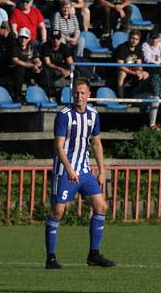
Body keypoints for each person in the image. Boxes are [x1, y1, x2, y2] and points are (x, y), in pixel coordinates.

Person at [45, 78, 115, 270]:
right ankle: (50, 258)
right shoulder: (64, 115)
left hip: (84, 170)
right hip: (64, 171)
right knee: (58, 211)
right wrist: (68, 169)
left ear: (89, 95)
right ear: (72, 94)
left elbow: (96, 143)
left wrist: (102, 170)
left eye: (83, 93)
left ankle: (94, 254)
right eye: (76, 93)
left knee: (101, 206)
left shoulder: (93, 115)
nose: (79, 96)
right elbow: (59, 146)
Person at [113, 29, 148, 98]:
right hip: (121, 71)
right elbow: (120, 66)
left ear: (139, 40)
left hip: (132, 71)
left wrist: (140, 72)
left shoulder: (138, 48)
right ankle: (121, 98)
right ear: (129, 37)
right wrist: (134, 73)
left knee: (145, 74)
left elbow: (139, 64)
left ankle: (139, 97)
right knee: (122, 74)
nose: (134, 41)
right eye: (132, 38)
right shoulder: (122, 47)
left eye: (136, 39)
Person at [40, 30, 72, 97]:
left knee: (76, 72)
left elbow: (71, 63)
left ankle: (73, 93)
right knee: (47, 70)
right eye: (54, 38)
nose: (56, 40)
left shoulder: (64, 47)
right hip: (50, 68)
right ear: (50, 38)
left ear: (61, 38)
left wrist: (69, 71)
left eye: (58, 38)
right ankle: (51, 93)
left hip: (62, 67)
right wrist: (60, 69)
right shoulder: (45, 46)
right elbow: (48, 63)